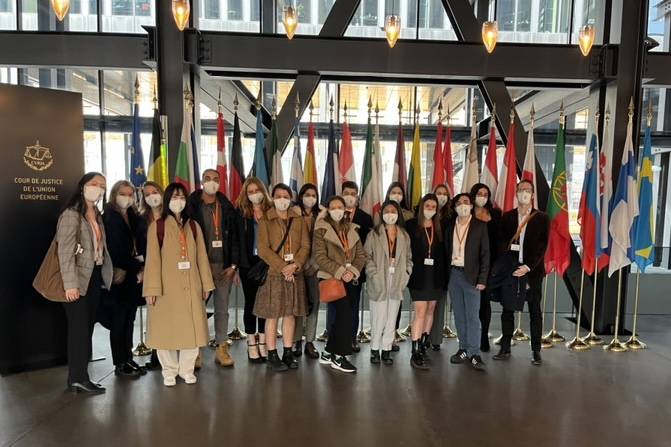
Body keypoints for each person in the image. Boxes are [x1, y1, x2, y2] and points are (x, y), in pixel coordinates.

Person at [143, 183, 215, 386]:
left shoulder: (193, 226)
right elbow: (153, 261)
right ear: (167, 200)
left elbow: (202, 257)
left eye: (181, 196)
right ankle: (169, 370)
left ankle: (186, 369)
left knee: (192, 330)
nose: (178, 201)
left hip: (191, 285)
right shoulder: (157, 227)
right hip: (166, 288)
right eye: (174, 197)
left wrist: (206, 285)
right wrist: (151, 289)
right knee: (165, 330)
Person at [56, 172, 113, 394]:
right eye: (94, 184)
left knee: (86, 329)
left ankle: (79, 376)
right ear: (82, 186)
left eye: (102, 185)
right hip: (77, 281)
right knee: (79, 331)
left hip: (94, 276)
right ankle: (77, 378)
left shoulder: (96, 214)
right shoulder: (72, 215)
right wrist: (70, 285)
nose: (98, 188)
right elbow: (65, 252)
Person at [254, 183, 310, 372]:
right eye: (278, 196)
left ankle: (287, 351)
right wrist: (283, 267)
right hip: (274, 274)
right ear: (272, 198)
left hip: (294, 273)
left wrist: (295, 265)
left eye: (286, 196)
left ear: (291, 198)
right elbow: (263, 249)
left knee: (290, 313)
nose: (282, 199)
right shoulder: (265, 220)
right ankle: (271, 354)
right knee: (272, 315)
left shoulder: (299, 220)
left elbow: (305, 246)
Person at [493, 180, 550, 366]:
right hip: (511, 271)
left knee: (535, 310)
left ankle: (536, 351)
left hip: (531, 272)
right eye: (520, 190)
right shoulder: (507, 217)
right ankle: (505, 347)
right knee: (507, 309)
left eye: (527, 190)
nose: (524, 193)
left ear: (533, 195)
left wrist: (528, 267)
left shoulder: (541, 218)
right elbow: (501, 243)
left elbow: (542, 247)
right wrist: (510, 267)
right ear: (516, 194)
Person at [187, 169, 240, 368]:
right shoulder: (191, 206)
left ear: (221, 183)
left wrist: (234, 265)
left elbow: (235, 238)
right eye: (207, 179)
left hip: (224, 267)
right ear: (201, 181)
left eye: (216, 179)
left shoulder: (226, 207)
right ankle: (196, 350)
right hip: (201, 267)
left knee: (222, 309)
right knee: (198, 309)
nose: (212, 182)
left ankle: (221, 347)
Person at [314, 196, 367, 374]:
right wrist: (340, 272)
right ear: (328, 210)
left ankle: (329, 352)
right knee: (344, 316)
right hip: (332, 278)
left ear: (345, 209)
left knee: (343, 316)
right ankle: (340, 356)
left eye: (340, 207)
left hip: (350, 278)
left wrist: (353, 271)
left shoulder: (352, 229)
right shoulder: (321, 229)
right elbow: (320, 257)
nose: (337, 210)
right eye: (333, 207)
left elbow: (361, 255)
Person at [103, 180, 146, 379]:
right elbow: (116, 253)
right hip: (119, 278)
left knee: (130, 319)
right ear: (114, 194)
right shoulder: (109, 217)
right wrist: (139, 266)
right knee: (119, 321)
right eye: (123, 193)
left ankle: (128, 358)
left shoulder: (132, 215)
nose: (127, 197)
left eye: (130, 194)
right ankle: (119, 363)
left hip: (132, 279)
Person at [445, 193, 490, 371]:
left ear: (471, 205)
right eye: (459, 203)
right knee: (459, 315)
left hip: (472, 277)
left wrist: (482, 279)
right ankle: (463, 348)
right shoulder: (450, 227)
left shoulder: (480, 227)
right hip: (453, 275)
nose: (462, 205)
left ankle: (474, 353)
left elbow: (485, 254)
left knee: (472, 317)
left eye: (466, 202)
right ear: (455, 207)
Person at [364, 200, 412, 365]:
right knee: (378, 317)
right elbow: (366, 256)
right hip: (379, 279)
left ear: (398, 213)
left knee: (392, 317)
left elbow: (408, 258)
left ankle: (386, 349)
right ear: (382, 213)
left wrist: (406, 273)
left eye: (393, 210)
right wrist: (374, 274)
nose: (390, 213)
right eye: (387, 210)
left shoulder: (404, 235)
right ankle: (374, 348)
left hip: (397, 279)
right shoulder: (374, 233)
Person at [406, 194, 447, 370]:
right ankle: (414, 351)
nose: (430, 209)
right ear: (422, 206)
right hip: (418, 276)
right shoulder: (410, 226)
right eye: (427, 205)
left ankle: (424, 344)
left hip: (436, 275)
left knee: (431, 310)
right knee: (420, 312)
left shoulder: (440, 226)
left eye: (433, 206)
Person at [236, 177, 273, 363]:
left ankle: (263, 341)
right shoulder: (241, 212)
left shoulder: (271, 210)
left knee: (265, 304)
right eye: (250, 192)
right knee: (250, 303)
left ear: (263, 191)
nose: (254, 194)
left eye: (257, 190)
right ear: (245, 194)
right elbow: (235, 240)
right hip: (247, 263)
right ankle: (251, 341)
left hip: (268, 262)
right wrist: (236, 266)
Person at [340, 181, 373, 352]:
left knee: (352, 306)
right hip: (336, 270)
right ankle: (336, 337)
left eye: (353, 193)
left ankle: (352, 338)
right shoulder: (333, 214)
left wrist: (356, 269)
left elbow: (367, 248)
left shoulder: (365, 218)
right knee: (337, 305)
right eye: (346, 193)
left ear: (358, 196)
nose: (350, 197)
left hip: (355, 271)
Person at [470, 183, 501, 352]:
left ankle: (483, 337)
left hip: (489, 266)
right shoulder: (466, 212)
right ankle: (470, 337)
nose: (482, 196)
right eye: (479, 193)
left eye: (485, 193)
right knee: (472, 303)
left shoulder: (495, 214)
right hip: (470, 265)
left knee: (484, 303)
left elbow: (499, 240)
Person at [292, 184, 321, 359]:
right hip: (297, 265)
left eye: (313, 195)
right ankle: (296, 341)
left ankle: (309, 341)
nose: (310, 198)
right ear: (301, 196)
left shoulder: (322, 216)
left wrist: (316, 264)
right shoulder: (293, 214)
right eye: (307, 194)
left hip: (316, 267)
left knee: (314, 304)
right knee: (297, 305)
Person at [137, 181, 163, 370]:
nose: (152, 196)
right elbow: (138, 247)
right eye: (147, 194)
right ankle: (156, 355)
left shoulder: (171, 215)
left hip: (172, 270)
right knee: (154, 313)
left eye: (154, 192)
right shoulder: (141, 219)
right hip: (150, 270)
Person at [385, 181, 414, 348]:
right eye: (393, 192)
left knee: (397, 301)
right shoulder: (381, 211)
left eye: (399, 193)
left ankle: (393, 332)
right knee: (382, 301)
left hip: (400, 264)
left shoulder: (409, 215)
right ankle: (381, 332)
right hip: (384, 264)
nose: (396, 195)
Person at [428, 183, 452, 350]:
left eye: (444, 193)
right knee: (425, 305)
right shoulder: (425, 215)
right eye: (438, 193)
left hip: (444, 266)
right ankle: (422, 336)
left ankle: (435, 339)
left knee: (439, 303)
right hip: (426, 266)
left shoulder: (451, 217)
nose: (441, 196)